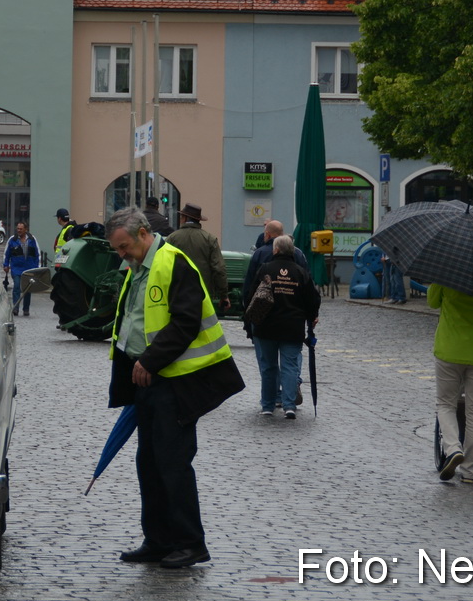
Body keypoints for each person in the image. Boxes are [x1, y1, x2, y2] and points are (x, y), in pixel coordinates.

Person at [105, 209, 241, 570]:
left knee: (172, 464)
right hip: (150, 382)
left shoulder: (173, 262)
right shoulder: (137, 267)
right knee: (149, 464)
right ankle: (158, 540)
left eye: (124, 246)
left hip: (177, 382)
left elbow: (185, 322)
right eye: (117, 249)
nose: (122, 254)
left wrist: (150, 361)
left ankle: (190, 543)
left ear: (143, 233)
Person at [428, 280, 473, 483]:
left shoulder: (445, 277)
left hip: (449, 349)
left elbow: (432, 302)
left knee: (445, 404)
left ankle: (453, 449)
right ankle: (470, 471)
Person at [248, 235, 318, 418]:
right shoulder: (300, 272)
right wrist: (312, 317)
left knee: (268, 367)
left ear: (276, 250)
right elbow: (312, 298)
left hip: (266, 326)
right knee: (290, 366)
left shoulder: (266, 269)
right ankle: (289, 405)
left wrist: (250, 318)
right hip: (292, 327)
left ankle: (268, 405)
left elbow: (251, 293)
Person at [166, 204, 229, 314]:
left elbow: (164, 265)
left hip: (177, 293)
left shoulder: (172, 238)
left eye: (181, 217)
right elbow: (219, 269)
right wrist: (224, 295)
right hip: (202, 295)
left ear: (185, 218)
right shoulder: (210, 239)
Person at [2, 221, 42, 316]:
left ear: (26, 229)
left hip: (29, 269)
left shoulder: (32, 239)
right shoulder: (12, 240)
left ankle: (26, 309)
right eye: (18, 228)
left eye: (21, 229)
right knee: (16, 287)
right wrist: (6, 265)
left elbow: (37, 254)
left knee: (27, 289)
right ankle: (15, 308)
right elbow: (6, 254)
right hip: (16, 269)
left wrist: (38, 268)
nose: (19, 230)